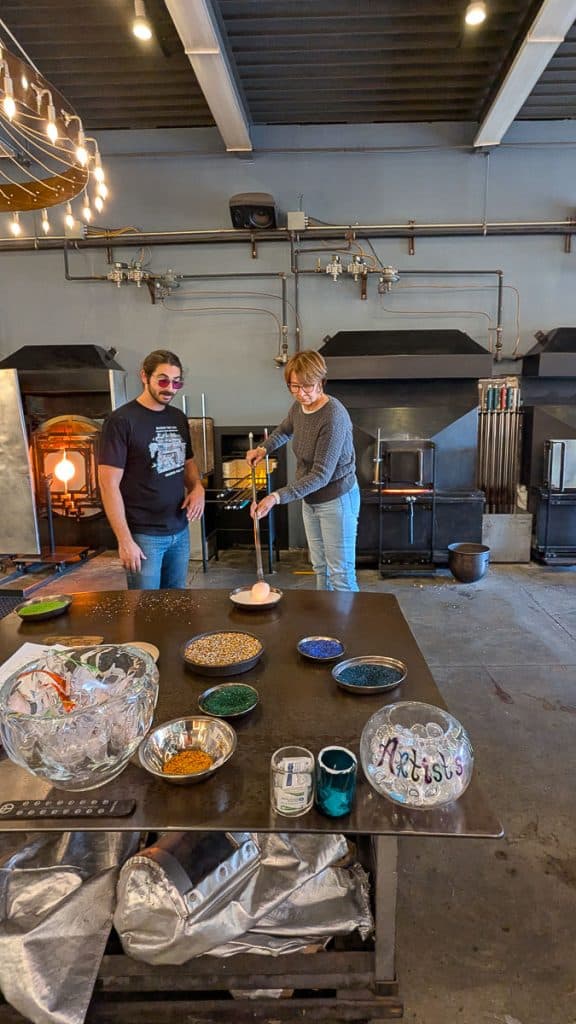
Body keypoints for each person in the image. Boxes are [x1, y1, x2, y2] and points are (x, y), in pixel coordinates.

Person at [246, 350, 360, 592]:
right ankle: (326, 623)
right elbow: (284, 430)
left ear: (320, 381)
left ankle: (347, 628)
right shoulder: (299, 407)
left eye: (307, 386)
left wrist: (276, 497)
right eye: (294, 386)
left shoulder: (333, 416)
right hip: (310, 498)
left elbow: (321, 474)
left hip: (336, 499)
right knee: (319, 566)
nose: (300, 393)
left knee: (340, 572)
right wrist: (263, 449)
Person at [98, 350, 205, 590]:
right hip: (143, 536)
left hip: (179, 529)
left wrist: (197, 487)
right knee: (145, 611)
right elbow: (108, 484)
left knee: (176, 604)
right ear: (144, 377)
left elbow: (188, 462)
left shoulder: (178, 417)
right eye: (163, 380)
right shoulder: (122, 421)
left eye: (177, 382)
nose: (170, 388)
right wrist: (125, 540)